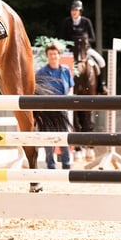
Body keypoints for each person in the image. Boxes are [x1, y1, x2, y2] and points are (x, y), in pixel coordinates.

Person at [35, 41, 74, 169]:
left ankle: (66, 164)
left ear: (59, 55)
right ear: (47, 56)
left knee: (63, 136)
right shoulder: (41, 72)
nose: (53, 56)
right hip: (47, 110)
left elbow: (70, 88)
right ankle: (50, 164)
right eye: (50, 54)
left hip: (62, 107)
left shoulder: (66, 71)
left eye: (55, 54)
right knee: (48, 139)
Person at [58, 0, 107, 93]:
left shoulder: (86, 22)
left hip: (85, 49)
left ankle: (102, 85)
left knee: (101, 61)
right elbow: (62, 38)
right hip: (70, 50)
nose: (74, 12)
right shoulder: (66, 22)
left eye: (76, 10)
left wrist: (83, 41)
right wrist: (71, 43)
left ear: (80, 11)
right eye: (72, 10)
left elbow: (93, 38)